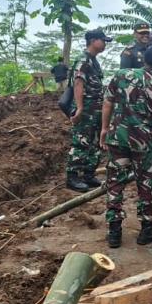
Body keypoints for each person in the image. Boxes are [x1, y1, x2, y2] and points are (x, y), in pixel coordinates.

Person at [99, 45, 152, 248]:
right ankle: (146, 231)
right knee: (146, 185)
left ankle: (114, 232)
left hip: (117, 139)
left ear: (144, 60)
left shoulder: (121, 75)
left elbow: (108, 102)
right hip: (144, 144)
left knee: (115, 184)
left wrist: (104, 129)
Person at [65, 29, 112, 192]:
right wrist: (79, 108)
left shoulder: (93, 61)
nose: (105, 44)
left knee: (94, 142)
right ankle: (73, 177)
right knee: (81, 141)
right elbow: (78, 83)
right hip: (86, 108)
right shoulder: (83, 60)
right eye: (103, 40)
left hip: (96, 109)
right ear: (93, 41)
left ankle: (88, 174)